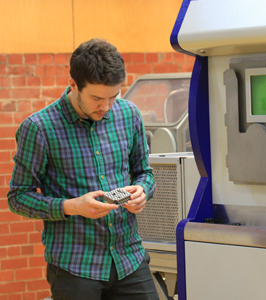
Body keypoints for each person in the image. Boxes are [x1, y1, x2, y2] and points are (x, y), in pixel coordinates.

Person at [8, 39, 158, 300]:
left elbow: (144, 172)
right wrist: (72, 206)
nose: (106, 106)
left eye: (113, 96)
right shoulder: (40, 128)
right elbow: (18, 197)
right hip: (76, 266)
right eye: (97, 98)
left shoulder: (129, 114)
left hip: (129, 259)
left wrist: (142, 190)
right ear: (74, 85)